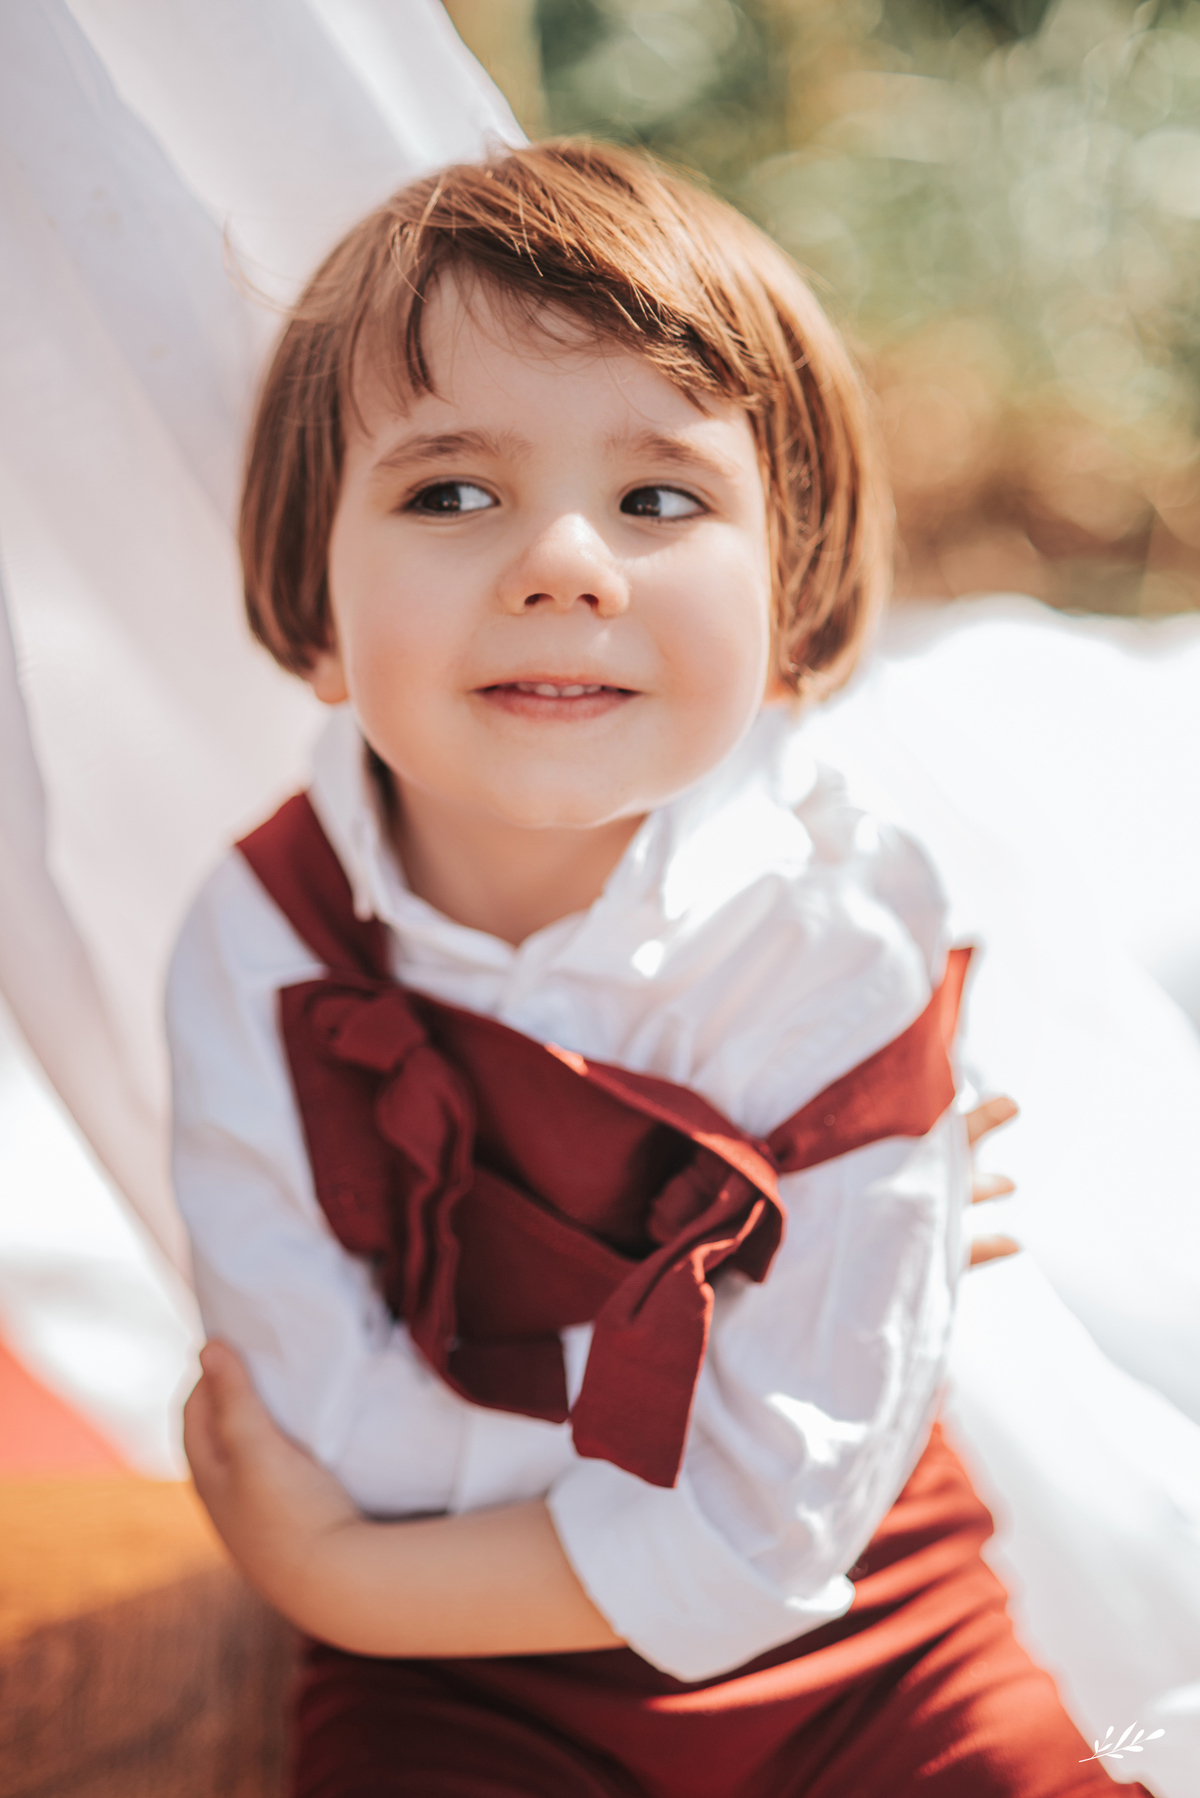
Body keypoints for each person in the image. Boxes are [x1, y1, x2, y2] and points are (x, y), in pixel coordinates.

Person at [173, 140, 1149, 1797]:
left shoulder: (839, 947)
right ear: (312, 595)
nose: (562, 561)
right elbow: (323, 1420)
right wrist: (710, 1373)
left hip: (861, 1642)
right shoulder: (260, 929)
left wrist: (334, 1571)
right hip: (454, 1681)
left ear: (791, 601)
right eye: (450, 492)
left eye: (660, 497)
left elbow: (774, 1531)